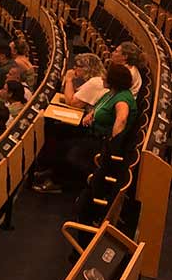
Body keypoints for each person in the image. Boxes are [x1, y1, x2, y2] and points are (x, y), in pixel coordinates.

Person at [34, 64, 136, 193]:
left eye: (105, 77)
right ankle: (51, 171)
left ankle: (59, 183)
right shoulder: (112, 93)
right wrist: (92, 113)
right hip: (92, 131)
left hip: (102, 141)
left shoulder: (123, 99)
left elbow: (121, 119)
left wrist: (112, 143)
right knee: (58, 132)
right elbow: (101, 106)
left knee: (70, 151)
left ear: (113, 80)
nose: (102, 78)